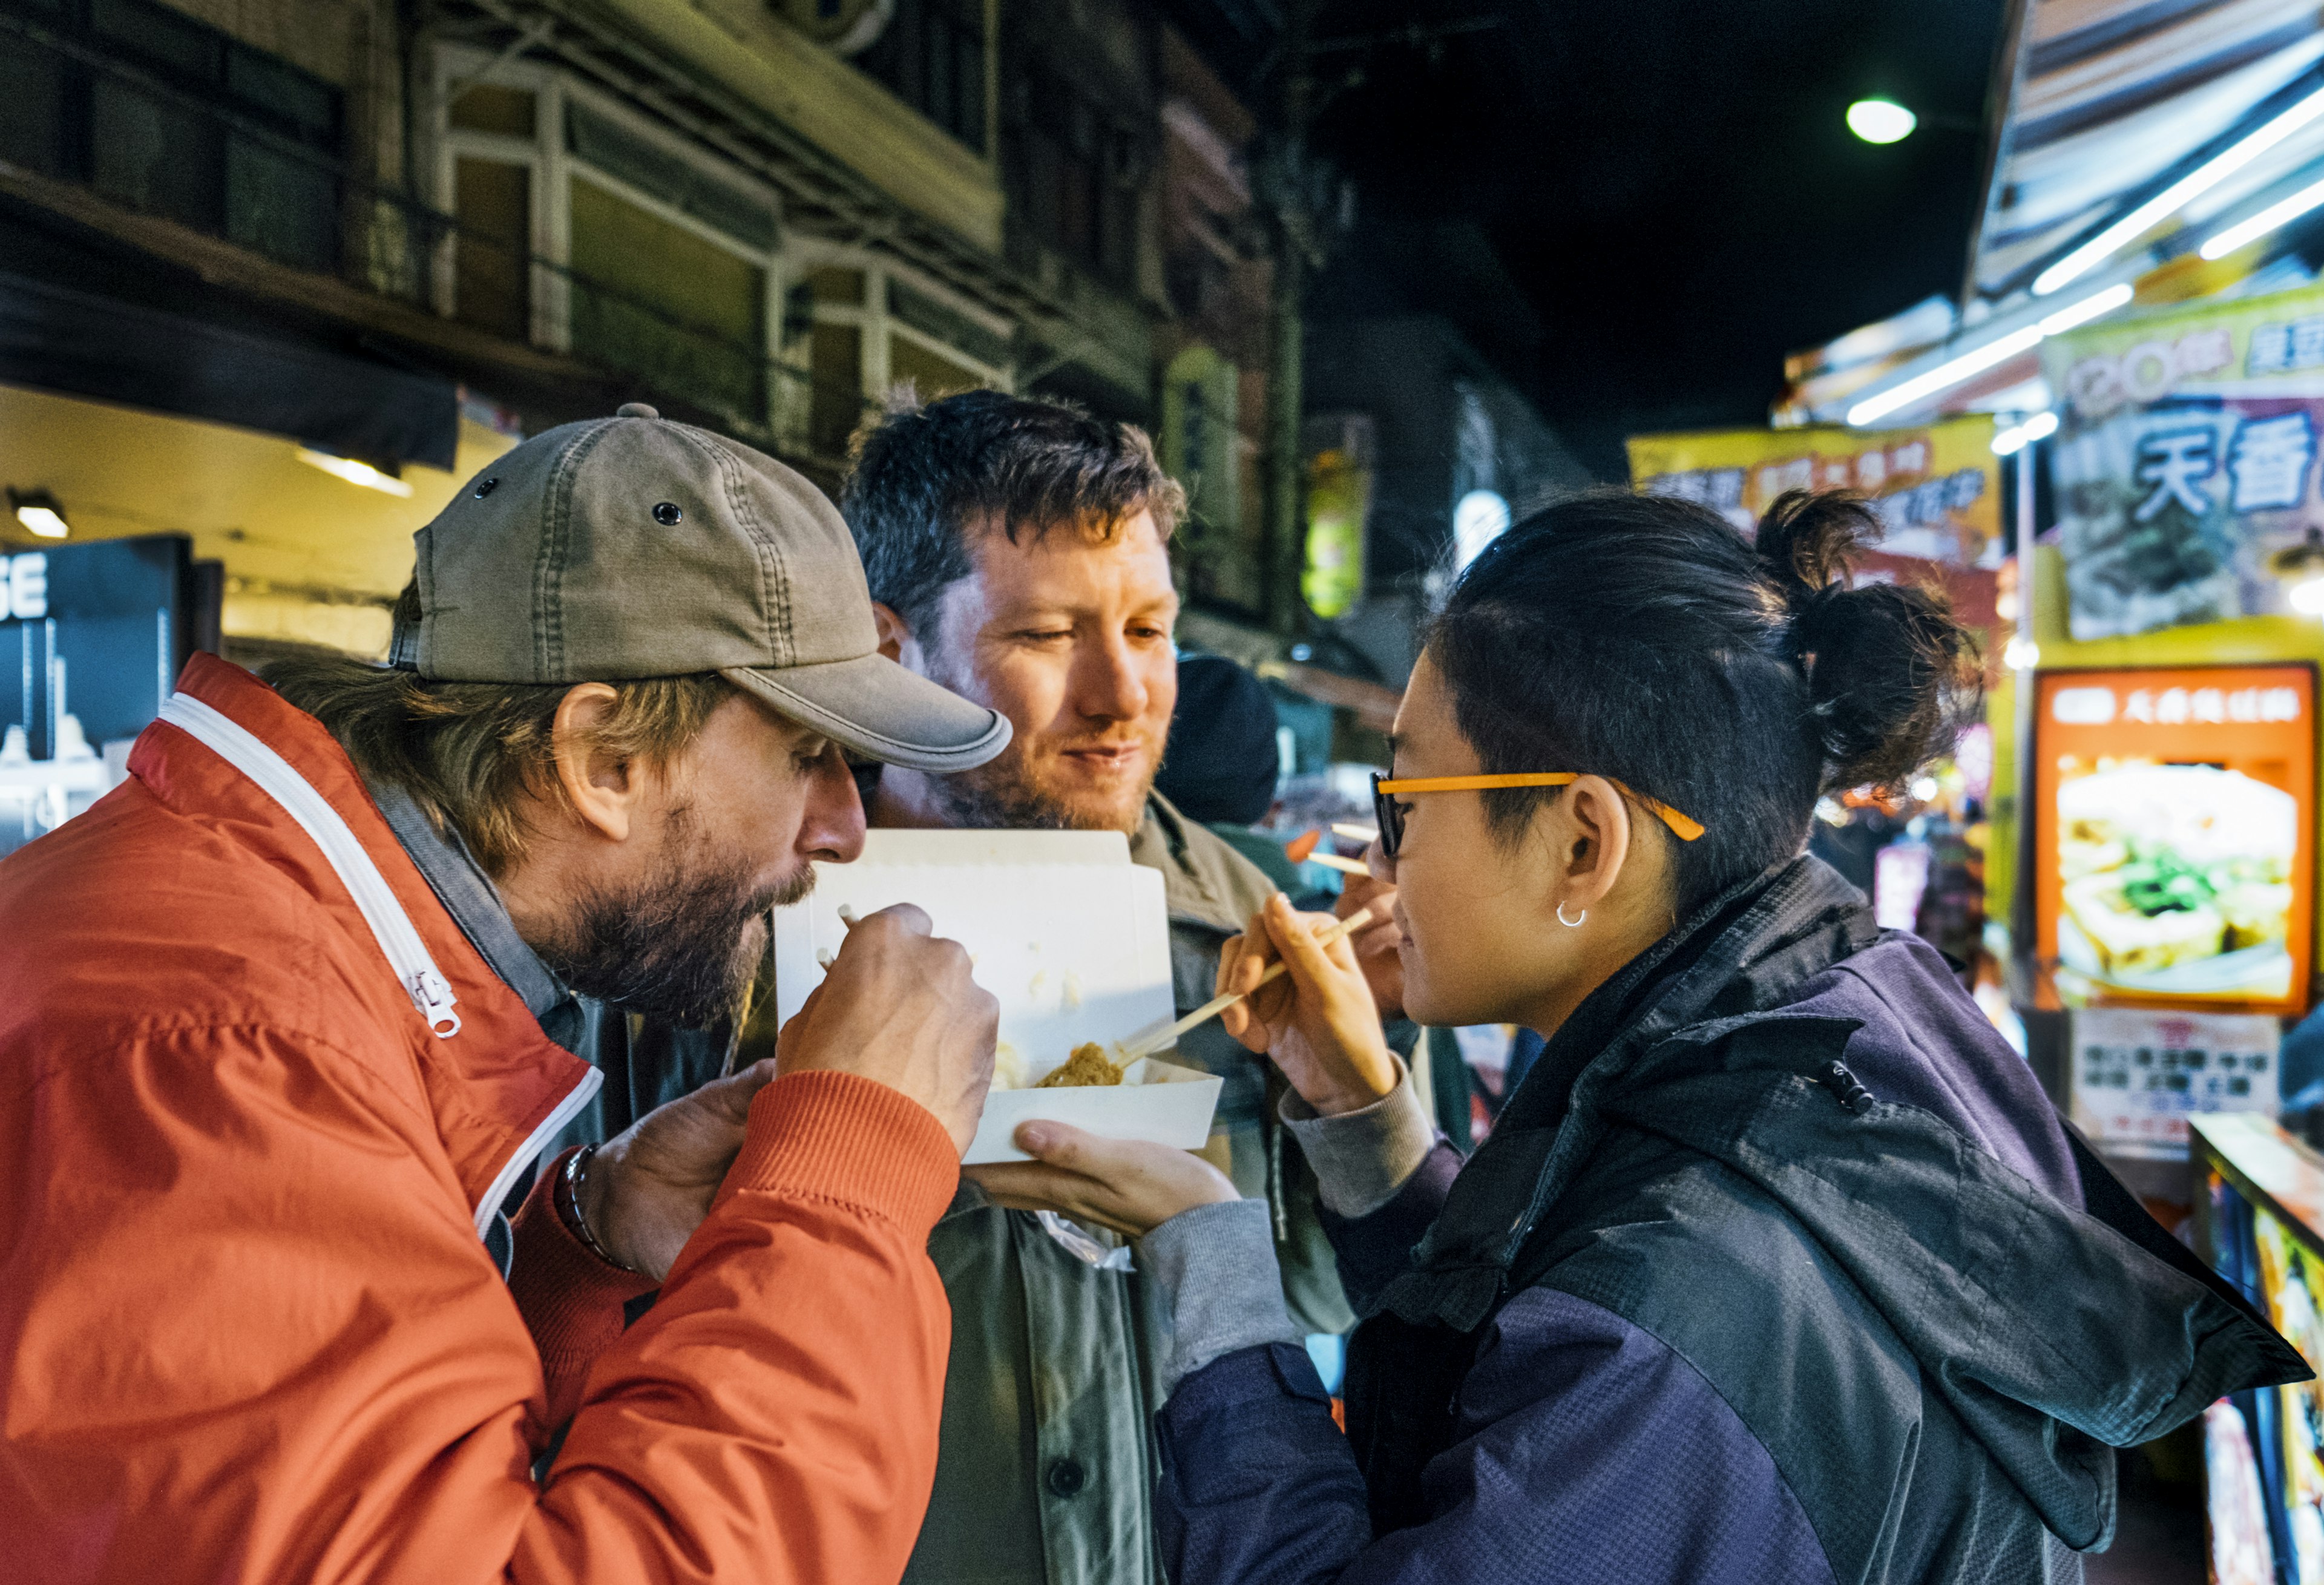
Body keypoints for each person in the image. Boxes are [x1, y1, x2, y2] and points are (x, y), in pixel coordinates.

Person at [976, 490, 2311, 1583]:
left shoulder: (1701, 1272)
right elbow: (1545, 1310)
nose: (1384, 858)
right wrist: (1358, 1109)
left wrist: (1206, 1249)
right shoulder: (1825, 1023)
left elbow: (1624, 1335)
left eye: (1408, 798)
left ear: (1582, 838)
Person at [0, 404, 1010, 1583]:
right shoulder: (229, 1048)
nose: (845, 828)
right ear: (602, 760)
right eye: (804, 754)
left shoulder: (280, 951)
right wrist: (852, 1177)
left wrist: (578, 1242)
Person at [829, 389, 1352, 1585]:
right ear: (887, 644)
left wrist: (1352, 1099)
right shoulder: (743, 936)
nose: (1123, 697)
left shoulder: (1251, 935)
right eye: (1048, 636)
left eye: (1152, 629)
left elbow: (1319, 1299)